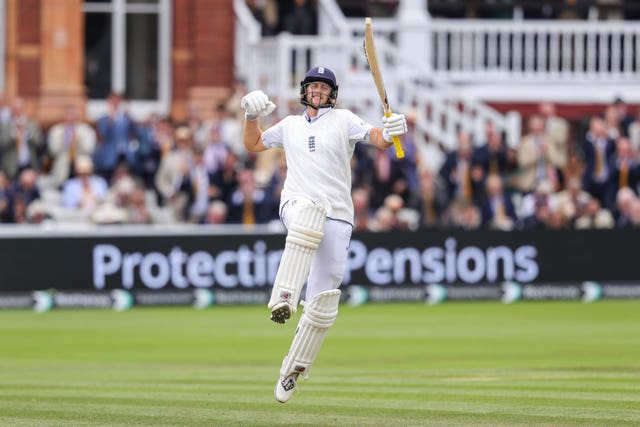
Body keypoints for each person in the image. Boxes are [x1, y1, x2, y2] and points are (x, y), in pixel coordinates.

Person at [240, 66, 408, 403]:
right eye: (313, 86)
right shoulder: (289, 125)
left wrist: (390, 132)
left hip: (339, 214)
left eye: (323, 87)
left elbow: (375, 137)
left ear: (332, 93)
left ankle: (293, 369)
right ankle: (284, 297)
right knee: (306, 219)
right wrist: (249, 116)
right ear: (304, 90)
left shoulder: (344, 119)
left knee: (322, 302)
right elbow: (254, 144)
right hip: (297, 202)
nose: (317, 92)